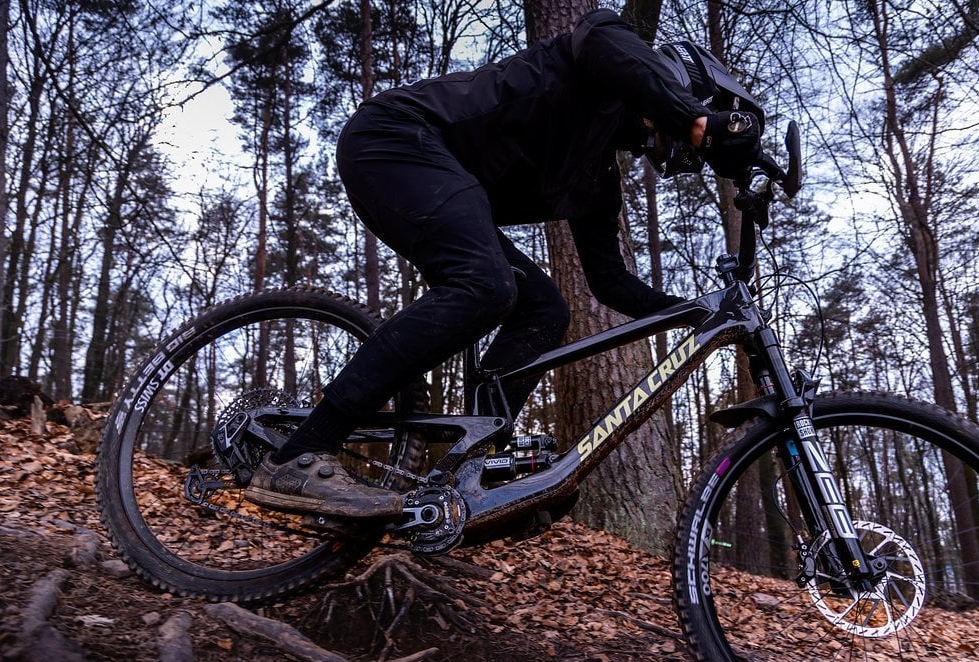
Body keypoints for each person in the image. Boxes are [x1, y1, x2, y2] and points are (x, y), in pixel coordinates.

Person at [244, 9, 770, 519]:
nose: (675, 146)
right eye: (684, 117)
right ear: (675, 83)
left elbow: (609, 283)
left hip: (438, 178)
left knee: (544, 309)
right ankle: (300, 454)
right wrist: (699, 119)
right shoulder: (601, 56)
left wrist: (692, 312)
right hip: (394, 139)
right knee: (485, 285)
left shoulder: (596, 176)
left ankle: (470, 475)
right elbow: (601, 38)